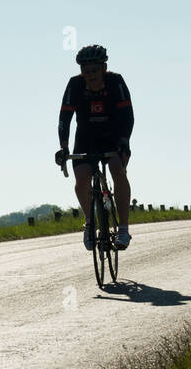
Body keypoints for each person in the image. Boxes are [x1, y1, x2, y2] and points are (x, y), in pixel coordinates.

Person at [55, 45, 133, 251]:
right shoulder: (75, 85)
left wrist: (124, 140)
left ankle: (123, 229)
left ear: (104, 68)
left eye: (94, 71)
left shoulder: (115, 81)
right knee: (81, 177)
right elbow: (65, 118)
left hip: (114, 137)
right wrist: (63, 146)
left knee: (118, 170)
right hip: (86, 138)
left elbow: (128, 116)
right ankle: (90, 223)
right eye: (86, 71)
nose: (90, 75)